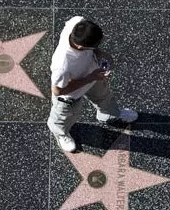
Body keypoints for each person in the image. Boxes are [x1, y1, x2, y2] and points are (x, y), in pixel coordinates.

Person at [47, 16, 138, 152]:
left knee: (104, 97)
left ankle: (108, 114)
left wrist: (98, 53)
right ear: (80, 46)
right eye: (94, 46)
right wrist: (90, 77)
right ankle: (61, 133)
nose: (97, 47)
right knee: (65, 116)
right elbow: (58, 91)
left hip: (93, 76)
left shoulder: (77, 22)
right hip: (70, 94)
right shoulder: (62, 65)